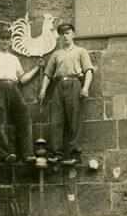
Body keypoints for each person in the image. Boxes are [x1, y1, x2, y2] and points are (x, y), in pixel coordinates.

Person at [0, 29, 45, 164]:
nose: (5, 41)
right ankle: (5, 154)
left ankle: (27, 154)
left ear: (10, 41)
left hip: (14, 88)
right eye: (2, 39)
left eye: (7, 39)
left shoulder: (14, 59)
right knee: (1, 121)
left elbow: (23, 79)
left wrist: (36, 67)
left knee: (25, 118)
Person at [38, 23, 95, 166]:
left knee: (75, 120)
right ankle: (57, 154)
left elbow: (88, 71)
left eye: (67, 33)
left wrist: (86, 87)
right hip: (58, 86)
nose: (65, 36)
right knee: (56, 120)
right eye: (62, 34)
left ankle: (74, 154)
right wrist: (43, 90)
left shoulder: (81, 51)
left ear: (73, 34)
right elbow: (48, 74)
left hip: (75, 84)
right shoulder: (56, 54)